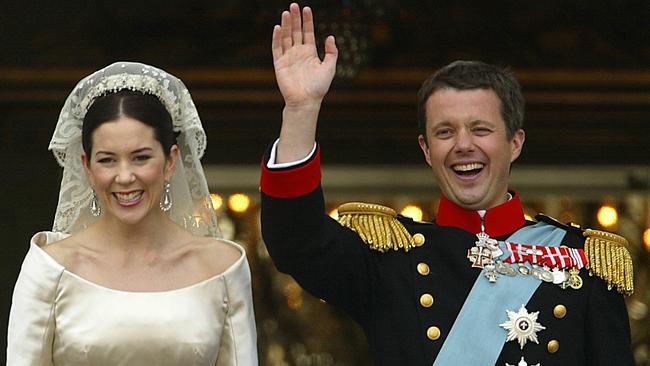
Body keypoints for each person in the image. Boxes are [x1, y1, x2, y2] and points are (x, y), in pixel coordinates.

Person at [260, 3, 634, 366]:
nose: (463, 145)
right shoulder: (390, 262)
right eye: (445, 132)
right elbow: (298, 242)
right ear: (426, 149)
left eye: (481, 129)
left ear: (515, 143)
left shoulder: (584, 261)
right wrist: (301, 110)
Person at [7, 62, 258, 365]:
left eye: (141, 158)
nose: (125, 176)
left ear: (170, 161)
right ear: (86, 166)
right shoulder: (50, 268)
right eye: (107, 160)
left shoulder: (222, 268)